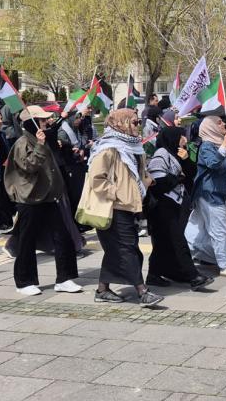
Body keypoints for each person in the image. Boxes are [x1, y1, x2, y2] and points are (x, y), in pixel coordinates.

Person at [88, 108, 162, 307]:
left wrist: (146, 181)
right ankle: (142, 292)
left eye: (139, 122)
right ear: (122, 123)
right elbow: (96, 179)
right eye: (135, 122)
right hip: (115, 207)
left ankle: (102, 290)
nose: (139, 126)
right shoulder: (109, 148)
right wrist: (118, 193)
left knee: (118, 249)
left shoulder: (133, 145)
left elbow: (136, 174)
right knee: (127, 248)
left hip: (131, 206)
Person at [3, 106, 81, 296]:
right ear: (32, 122)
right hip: (30, 198)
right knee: (27, 241)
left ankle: (64, 278)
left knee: (63, 237)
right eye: (42, 120)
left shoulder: (43, 139)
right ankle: (24, 281)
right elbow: (30, 166)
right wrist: (39, 145)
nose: (47, 122)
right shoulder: (22, 142)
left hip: (49, 196)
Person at [146, 126, 211, 289]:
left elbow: (191, 174)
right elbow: (158, 181)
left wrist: (186, 160)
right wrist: (178, 178)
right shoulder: (161, 154)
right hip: (163, 206)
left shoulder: (177, 153)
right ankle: (193, 276)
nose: (185, 140)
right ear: (173, 138)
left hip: (177, 204)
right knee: (178, 241)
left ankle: (155, 274)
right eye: (182, 136)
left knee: (163, 242)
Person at [185, 116, 226, 278]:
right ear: (210, 127)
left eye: (222, 121)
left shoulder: (221, 146)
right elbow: (213, 164)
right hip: (210, 194)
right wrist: (224, 145)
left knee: (196, 229)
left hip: (216, 193)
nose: (223, 123)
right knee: (219, 229)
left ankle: (200, 255)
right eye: (218, 122)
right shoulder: (207, 146)